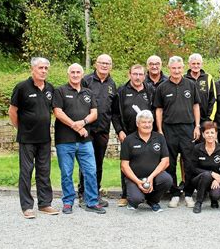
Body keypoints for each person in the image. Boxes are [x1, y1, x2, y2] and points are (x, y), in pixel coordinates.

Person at [9, 57, 59, 219]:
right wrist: (22, 128)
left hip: (44, 139)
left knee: (44, 171)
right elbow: (12, 111)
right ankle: (27, 207)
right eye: (40, 68)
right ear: (33, 69)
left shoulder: (50, 89)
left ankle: (45, 204)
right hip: (27, 139)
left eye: (46, 68)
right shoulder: (22, 88)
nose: (43, 71)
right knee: (26, 171)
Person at [53, 63, 105, 214]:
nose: (75, 75)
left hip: (85, 141)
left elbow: (94, 113)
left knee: (90, 171)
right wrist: (75, 126)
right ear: (68, 74)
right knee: (66, 173)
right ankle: (68, 202)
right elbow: (58, 112)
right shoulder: (60, 91)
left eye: (78, 72)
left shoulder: (88, 92)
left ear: (82, 75)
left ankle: (92, 202)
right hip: (65, 140)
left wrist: (83, 123)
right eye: (72, 72)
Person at [154, 56, 201, 208]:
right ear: (169, 68)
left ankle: (188, 194)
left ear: (183, 67)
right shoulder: (162, 87)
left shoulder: (191, 84)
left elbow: (196, 106)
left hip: (188, 128)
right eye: (173, 68)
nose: (176, 70)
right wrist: (160, 130)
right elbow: (159, 110)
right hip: (169, 129)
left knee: (189, 163)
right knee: (171, 163)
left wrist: (197, 126)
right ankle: (174, 193)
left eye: (179, 68)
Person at [112, 64, 155, 207]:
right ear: (129, 74)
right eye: (135, 74)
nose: (137, 77)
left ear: (144, 75)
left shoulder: (150, 90)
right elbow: (115, 114)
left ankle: (150, 192)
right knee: (126, 164)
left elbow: (156, 111)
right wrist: (120, 131)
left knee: (148, 161)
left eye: (140, 74)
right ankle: (125, 194)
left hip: (147, 134)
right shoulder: (121, 91)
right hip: (128, 134)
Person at [78, 54, 116, 208]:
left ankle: (95, 192)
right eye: (102, 63)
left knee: (98, 163)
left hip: (102, 130)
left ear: (111, 66)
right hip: (87, 130)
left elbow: (113, 109)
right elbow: (77, 103)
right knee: (86, 163)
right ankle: (82, 194)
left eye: (108, 63)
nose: (105, 66)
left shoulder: (112, 84)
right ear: (96, 64)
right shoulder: (86, 81)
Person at [120, 110, 172, 212]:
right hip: (134, 178)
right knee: (136, 199)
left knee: (167, 179)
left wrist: (151, 177)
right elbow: (124, 166)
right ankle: (135, 198)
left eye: (149, 122)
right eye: (144, 122)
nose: (147, 125)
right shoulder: (128, 140)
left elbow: (165, 161)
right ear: (137, 124)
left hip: (154, 177)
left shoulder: (160, 138)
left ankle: (153, 201)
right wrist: (138, 182)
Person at [190, 121, 220, 213]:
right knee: (206, 175)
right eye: (207, 133)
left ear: (216, 134)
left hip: (216, 179)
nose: (210, 135)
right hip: (198, 179)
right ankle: (199, 202)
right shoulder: (197, 148)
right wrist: (211, 173)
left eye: (212, 132)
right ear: (203, 135)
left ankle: (213, 200)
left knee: (215, 195)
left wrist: (218, 179)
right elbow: (193, 168)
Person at [185, 53, 217, 124]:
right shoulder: (184, 78)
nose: (196, 66)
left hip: (205, 120)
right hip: (188, 121)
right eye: (193, 63)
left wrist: (209, 119)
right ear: (189, 64)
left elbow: (213, 100)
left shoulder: (208, 77)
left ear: (202, 64)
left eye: (198, 63)